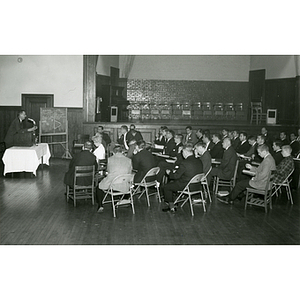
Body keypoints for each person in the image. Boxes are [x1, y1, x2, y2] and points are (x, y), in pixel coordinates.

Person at [162, 144, 203, 213]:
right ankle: (174, 201)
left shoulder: (185, 163)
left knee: (166, 187)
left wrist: (169, 173)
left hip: (186, 185)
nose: (182, 154)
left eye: (182, 152)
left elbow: (175, 176)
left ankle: (171, 207)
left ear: (185, 152)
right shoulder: (199, 161)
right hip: (197, 185)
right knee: (173, 184)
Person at [96, 145, 133, 212]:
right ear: (122, 152)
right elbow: (129, 172)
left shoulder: (110, 159)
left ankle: (100, 205)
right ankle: (121, 201)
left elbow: (108, 170)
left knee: (99, 186)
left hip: (113, 184)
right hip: (125, 186)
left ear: (113, 152)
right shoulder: (129, 160)